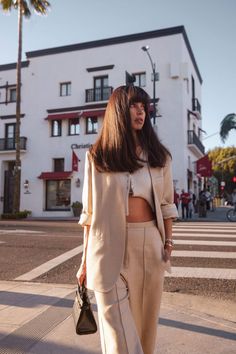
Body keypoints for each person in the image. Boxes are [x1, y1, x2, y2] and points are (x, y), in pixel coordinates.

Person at [76, 85, 178, 354]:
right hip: (106, 247)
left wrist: (168, 243)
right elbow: (89, 214)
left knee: (144, 330)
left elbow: (167, 205)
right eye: (134, 105)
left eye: (144, 107)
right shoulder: (97, 157)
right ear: (119, 110)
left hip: (148, 246)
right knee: (118, 335)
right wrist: (84, 260)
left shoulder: (159, 157)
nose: (141, 112)